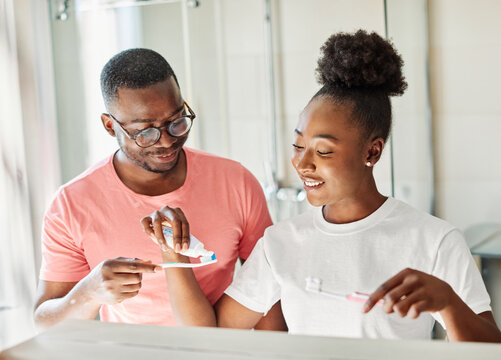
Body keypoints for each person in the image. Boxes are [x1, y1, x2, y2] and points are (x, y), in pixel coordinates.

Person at [144, 30, 501, 341]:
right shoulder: (281, 244)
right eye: (298, 145)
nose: (302, 163)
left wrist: (449, 303)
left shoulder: (434, 240)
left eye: (323, 150)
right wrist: (172, 253)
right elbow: (215, 335)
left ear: (372, 151)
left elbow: (489, 350)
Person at [34, 48, 286, 330]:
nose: (166, 142)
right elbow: (44, 322)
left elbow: (270, 297)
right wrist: (88, 293)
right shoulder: (72, 204)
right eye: (145, 132)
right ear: (109, 126)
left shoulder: (236, 183)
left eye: (176, 122)